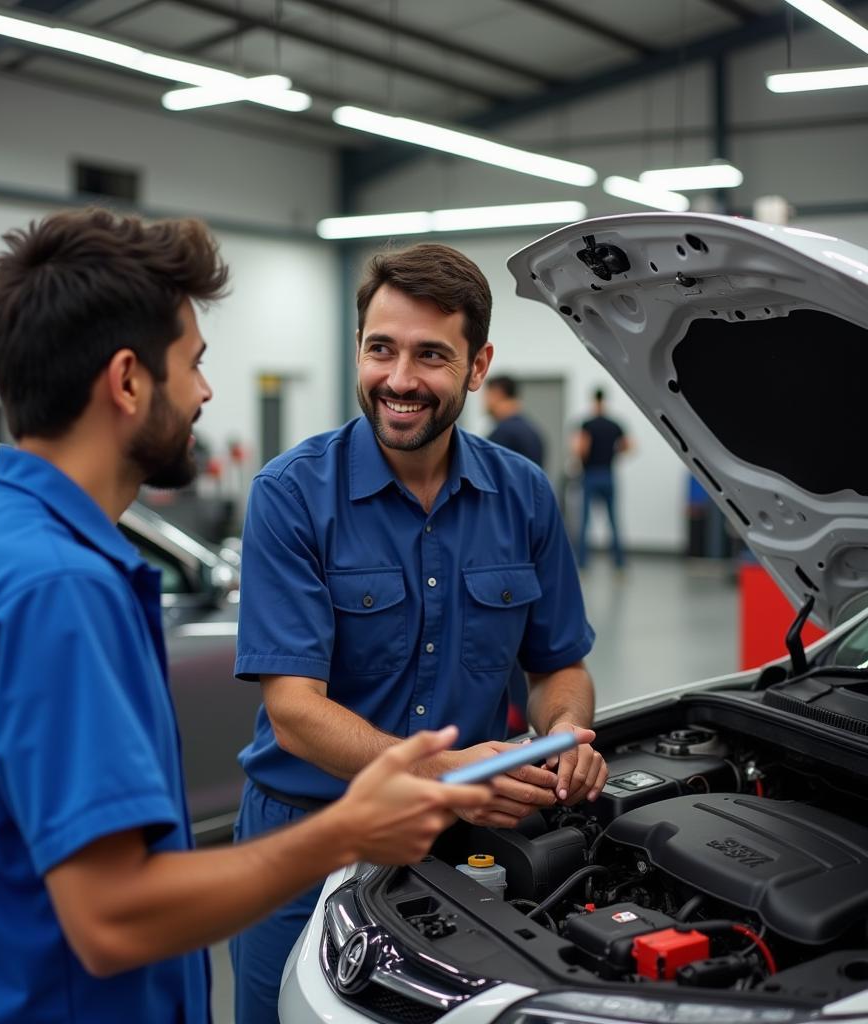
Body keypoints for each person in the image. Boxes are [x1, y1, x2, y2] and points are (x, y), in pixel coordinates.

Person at [0, 210, 493, 1024]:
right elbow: (112, 917)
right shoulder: (56, 588)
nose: (204, 392)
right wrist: (348, 830)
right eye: (192, 364)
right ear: (129, 380)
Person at [232, 242, 608, 1022]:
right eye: (381, 349)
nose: (399, 380)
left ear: (478, 365)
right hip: (307, 839)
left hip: (456, 848)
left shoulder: (524, 496)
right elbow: (296, 711)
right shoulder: (292, 496)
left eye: (431, 355)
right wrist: (447, 771)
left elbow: (557, 666)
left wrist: (567, 733)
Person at [572, 387, 633, 569]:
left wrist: (581, 461)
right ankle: (619, 563)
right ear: (605, 400)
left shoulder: (587, 424)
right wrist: (613, 453)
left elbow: (582, 449)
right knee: (613, 520)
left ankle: (582, 562)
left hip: (590, 474)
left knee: (584, 521)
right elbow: (629, 446)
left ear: (593, 401)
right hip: (608, 474)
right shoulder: (614, 424)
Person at [483, 374, 545, 468]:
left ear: (497, 394)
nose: (484, 402)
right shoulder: (532, 431)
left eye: (487, 396)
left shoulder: (503, 433)